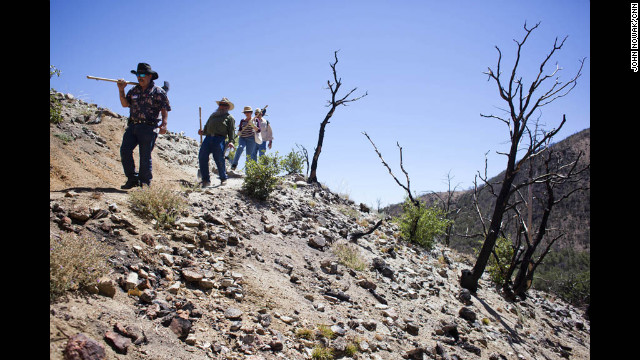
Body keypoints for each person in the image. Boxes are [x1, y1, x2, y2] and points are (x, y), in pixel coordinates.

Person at [117, 63, 170, 189]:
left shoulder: (158, 91)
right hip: (133, 126)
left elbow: (164, 109)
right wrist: (121, 89)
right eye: (137, 75)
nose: (139, 77)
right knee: (125, 151)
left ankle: (144, 183)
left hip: (149, 128)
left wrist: (164, 124)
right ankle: (132, 179)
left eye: (142, 75)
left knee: (145, 156)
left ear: (150, 76)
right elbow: (125, 104)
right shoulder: (133, 90)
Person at [198, 97, 236, 187]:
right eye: (221, 104)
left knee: (219, 158)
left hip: (219, 139)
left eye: (224, 105)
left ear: (227, 107)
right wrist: (202, 132)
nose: (222, 106)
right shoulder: (213, 115)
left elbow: (231, 131)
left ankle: (223, 178)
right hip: (208, 138)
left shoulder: (229, 118)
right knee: (202, 157)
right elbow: (206, 128)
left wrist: (231, 141)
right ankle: (205, 180)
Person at [230, 106, 260, 171]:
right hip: (242, 138)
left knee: (249, 155)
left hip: (251, 139)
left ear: (251, 113)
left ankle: (248, 172)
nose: (247, 114)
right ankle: (234, 164)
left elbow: (258, 130)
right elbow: (240, 129)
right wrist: (239, 132)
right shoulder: (242, 120)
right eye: (245, 112)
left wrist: (252, 125)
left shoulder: (255, 120)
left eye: (248, 112)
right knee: (240, 147)